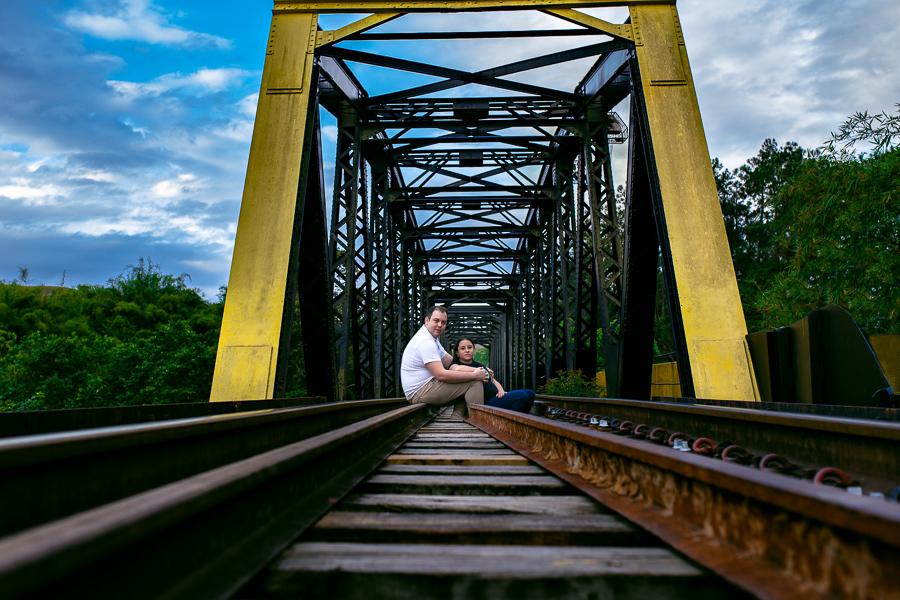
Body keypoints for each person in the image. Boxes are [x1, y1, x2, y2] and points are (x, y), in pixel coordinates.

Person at [401, 305, 491, 419]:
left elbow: (452, 362)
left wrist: (481, 368)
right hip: (419, 391)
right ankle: (479, 420)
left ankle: (457, 415)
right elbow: (441, 375)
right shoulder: (425, 342)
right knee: (474, 381)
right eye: (436, 321)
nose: (440, 325)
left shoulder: (433, 339)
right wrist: (475, 374)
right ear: (427, 320)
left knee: (466, 377)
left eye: (443, 322)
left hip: (427, 386)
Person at [450, 335, 535, 414]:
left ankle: (518, 423)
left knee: (530, 393)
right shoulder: (456, 365)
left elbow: (494, 381)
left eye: (470, 347)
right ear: (457, 352)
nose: (467, 350)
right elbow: (454, 369)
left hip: (495, 397)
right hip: (486, 402)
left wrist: (501, 390)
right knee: (522, 396)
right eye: (462, 348)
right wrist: (477, 370)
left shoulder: (479, 365)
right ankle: (510, 423)